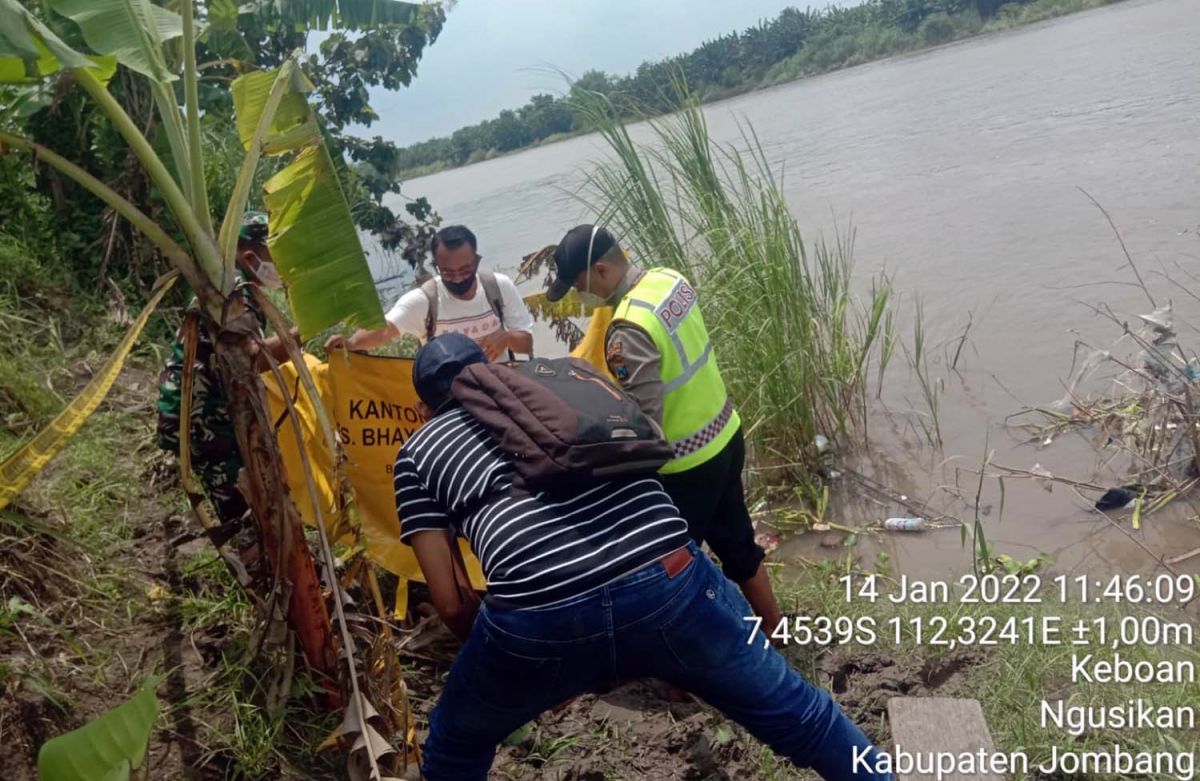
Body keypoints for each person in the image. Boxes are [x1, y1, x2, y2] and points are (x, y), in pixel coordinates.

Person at [394, 333, 890, 781]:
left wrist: (530, 668)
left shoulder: (417, 452)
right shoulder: (559, 384)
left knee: (455, 746)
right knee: (798, 712)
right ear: (492, 367)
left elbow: (453, 602)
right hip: (666, 577)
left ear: (421, 409)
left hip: (540, 618)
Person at [544, 224, 784, 633]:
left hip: (686, 466)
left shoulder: (627, 328)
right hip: (726, 435)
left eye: (579, 283)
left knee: (672, 566)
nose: (578, 294)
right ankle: (777, 630)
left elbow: (645, 419)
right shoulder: (669, 280)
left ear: (601, 270)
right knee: (739, 544)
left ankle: (685, 670)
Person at [156, 211, 295, 551]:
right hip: (203, 421)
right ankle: (255, 565)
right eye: (278, 253)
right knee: (238, 503)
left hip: (207, 414)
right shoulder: (232, 295)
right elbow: (250, 360)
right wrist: (301, 334)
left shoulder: (236, 288)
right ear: (250, 255)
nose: (286, 264)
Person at [325, 224, 534, 361]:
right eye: (448, 273)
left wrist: (506, 338)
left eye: (465, 270)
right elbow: (386, 330)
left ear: (476, 260)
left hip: (502, 389)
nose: (458, 278)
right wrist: (351, 343)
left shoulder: (498, 287)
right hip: (452, 400)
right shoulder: (425, 300)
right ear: (436, 266)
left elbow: (527, 343)